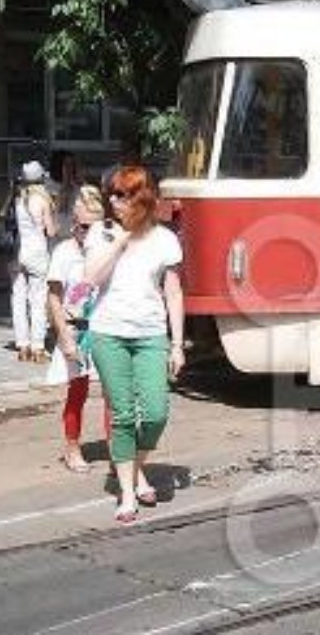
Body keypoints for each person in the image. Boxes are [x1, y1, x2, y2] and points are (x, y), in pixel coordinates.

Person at [84, 165, 185, 523]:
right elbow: (91, 279)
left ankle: (134, 467)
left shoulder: (165, 239)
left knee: (156, 413)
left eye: (121, 195)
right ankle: (127, 493)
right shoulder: (101, 232)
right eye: (111, 194)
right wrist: (120, 243)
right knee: (124, 415)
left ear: (140, 198)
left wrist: (177, 345)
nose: (113, 202)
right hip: (108, 333)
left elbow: (173, 293)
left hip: (150, 334)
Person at [46, 186, 112, 472]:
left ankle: (116, 451)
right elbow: (54, 298)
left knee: (114, 392)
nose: (90, 232)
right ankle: (73, 448)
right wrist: (63, 336)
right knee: (78, 392)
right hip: (76, 332)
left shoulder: (109, 248)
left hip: (106, 329)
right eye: (85, 226)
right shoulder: (63, 252)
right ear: (74, 222)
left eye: (97, 226)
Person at [11, 160, 56, 362]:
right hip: (37, 253)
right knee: (37, 299)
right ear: (41, 179)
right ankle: (38, 347)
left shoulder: (18, 199)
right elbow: (51, 231)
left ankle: (22, 345)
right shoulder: (43, 200)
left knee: (18, 298)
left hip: (18, 252)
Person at [48, 150, 84, 235]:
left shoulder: (78, 189)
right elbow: (58, 208)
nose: (70, 168)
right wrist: (65, 183)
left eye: (72, 165)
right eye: (67, 165)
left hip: (73, 235)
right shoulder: (49, 187)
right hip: (54, 236)